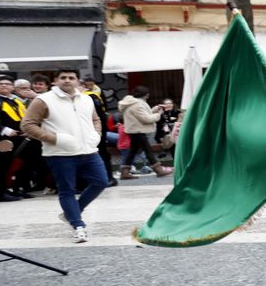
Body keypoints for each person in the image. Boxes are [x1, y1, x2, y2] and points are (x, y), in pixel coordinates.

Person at [20, 69, 105, 243]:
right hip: (60, 153)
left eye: (71, 78)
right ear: (55, 81)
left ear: (77, 81)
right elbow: (27, 125)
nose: (67, 80)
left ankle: (71, 213)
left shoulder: (86, 98)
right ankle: (78, 225)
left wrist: (95, 135)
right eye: (63, 78)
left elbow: (95, 119)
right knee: (67, 190)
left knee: (101, 181)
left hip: (88, 150)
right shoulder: (43, 100)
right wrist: (56, 139)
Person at [117, 86, 170, 180]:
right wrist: (159, 114)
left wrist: (155, 109)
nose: (148, 96)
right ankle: (158, 170)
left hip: (133, 130)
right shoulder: (137, 104)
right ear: (145, 95)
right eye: (147, 95)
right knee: (147, 149)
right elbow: (146, 118)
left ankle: (124, 172)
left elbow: (143, 113)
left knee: (132, 151)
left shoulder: (132, 102)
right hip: (138, 130)